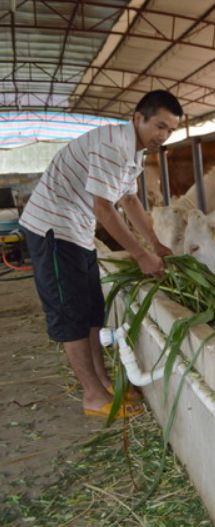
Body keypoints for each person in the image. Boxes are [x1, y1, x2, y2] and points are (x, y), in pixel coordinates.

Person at [19, 90, 183, 419]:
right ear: (138, 118)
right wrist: (140, 255)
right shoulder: (113, 147)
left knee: (92, 309)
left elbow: (130, 201)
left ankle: (105, 383)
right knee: (70, 315)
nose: (163, 136)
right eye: (160, 126)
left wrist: (155, 242)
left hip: (77, 232)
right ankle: (93, 395)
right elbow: (105, 209)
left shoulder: (133, 152)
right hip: (52, 229)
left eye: (171, 130)